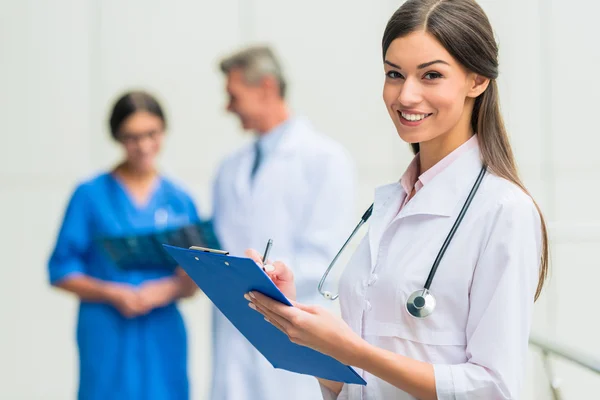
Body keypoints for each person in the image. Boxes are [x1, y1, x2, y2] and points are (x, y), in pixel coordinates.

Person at [244, 1, 550, 399]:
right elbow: (354, 386)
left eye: (431, 75)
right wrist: (294, 318)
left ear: (477, 80)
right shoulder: (393, 204)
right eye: (394, 74)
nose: (406, 95)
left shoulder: (504, 211)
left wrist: (351, 349)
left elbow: (493, 388)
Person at [209, 46, 356, 400]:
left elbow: (327, 258)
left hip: (292, 330)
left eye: (233, 96)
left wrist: (261, 275)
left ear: (266, 88)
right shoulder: (230, 167)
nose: (227, 107)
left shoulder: (325, 159)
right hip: (235, 332)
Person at [48, 90, 200, 400]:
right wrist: (112, 293)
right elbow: (61, 269)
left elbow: (196, 277)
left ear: (163, 131)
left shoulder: (180, 200)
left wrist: (167, 290)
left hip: (162, 332)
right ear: (117, 136)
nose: (144, 145)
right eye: (132, 137)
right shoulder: (90, 195)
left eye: (151, 134)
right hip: (107, 328)